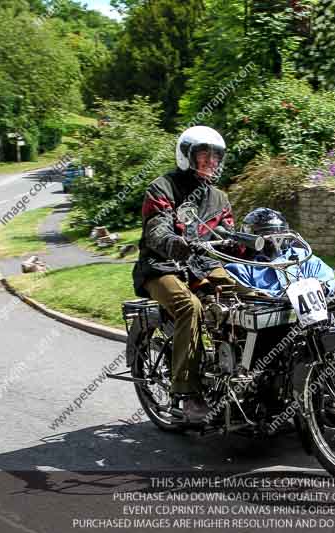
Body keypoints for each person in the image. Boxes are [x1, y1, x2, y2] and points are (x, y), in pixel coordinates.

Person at [132, 126, 246, 421]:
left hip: (202, 265)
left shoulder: (219, 197)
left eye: (215, 157)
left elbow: (227, 235)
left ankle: (237, 372)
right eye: (204, 155)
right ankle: (187, 393)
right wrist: (171, 242)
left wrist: (251, 244)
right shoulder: (163, 187)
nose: (211, 162)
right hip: (161, 267)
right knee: (189, 306)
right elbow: (156, 227)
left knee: (247, 300)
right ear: (187, 156)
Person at [224, 208, 335, 297]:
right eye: (268, 234)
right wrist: (287, 295)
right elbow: (250, 297)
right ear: (250, 237)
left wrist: (322, 286)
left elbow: (326, 277)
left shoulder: (302, 256)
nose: (276, 239)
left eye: (280, 232)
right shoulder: (242, 267)